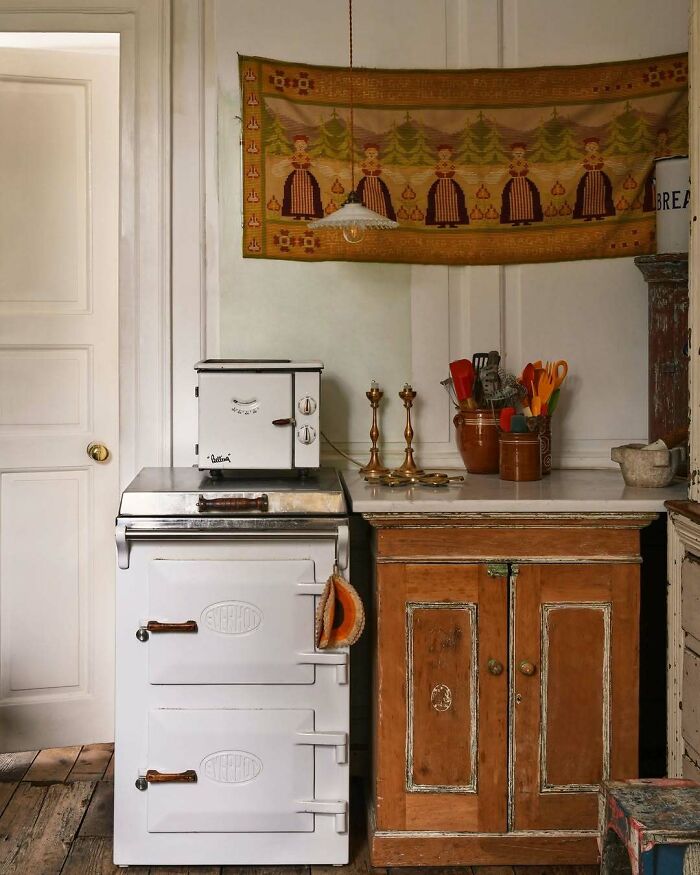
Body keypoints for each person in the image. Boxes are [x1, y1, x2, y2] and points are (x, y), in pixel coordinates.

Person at [500, 142, 543, 226]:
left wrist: (525, 172)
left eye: (520, 153)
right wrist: (512, 172)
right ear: (513, 153)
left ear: (524, 153)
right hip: (514, 182)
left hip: (524, 182)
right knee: (514, 201)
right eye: (516, 153)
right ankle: (516, 220)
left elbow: (529, 168)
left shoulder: (525, 162)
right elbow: (508, 169)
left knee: (526, 201)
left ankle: (526, 219)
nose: (518, 155)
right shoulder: (512, 163)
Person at [281, 134, 323, 220]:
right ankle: (298, 214)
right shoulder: (294, 155)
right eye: (298, 144)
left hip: (306, 176)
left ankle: (308, 215)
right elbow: (287, 162)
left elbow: (314, 163)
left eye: (302, 144)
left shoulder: (307, 156)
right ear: (295, 145)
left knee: (309, 194)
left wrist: (312, 162)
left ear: (305, 145)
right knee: (295, 194)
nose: (300, 146)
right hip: (296, 176)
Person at [572, 137, 615, 221]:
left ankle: (599, 214)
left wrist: (597, 164)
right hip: (589, 177)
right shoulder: (586, 157)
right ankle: (588, 215)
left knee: (600, 195)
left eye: (593, 146)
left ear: (597, 147)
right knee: (587, 197)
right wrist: (589, 165)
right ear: (586, 147)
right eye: (589, 146)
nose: (592, 147)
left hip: (598, 176)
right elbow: (583, 164)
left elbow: (603, 162)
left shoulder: (599, 156)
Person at [425, 145, 468, 228]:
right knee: (439, 202)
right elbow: (437, 172)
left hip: (450, 184)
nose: (444, 155)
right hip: (440, 185)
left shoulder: (451, 164)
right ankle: (442, 222)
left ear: (450, 154)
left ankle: (452, 222)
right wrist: (443, 174)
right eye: (442, 153)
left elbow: (453, 172)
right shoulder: (439, 164)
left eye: (446, 153)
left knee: (453, 202)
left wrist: (446, 174)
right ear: (438, 154)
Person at [356, 143, 396, 220]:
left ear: (376, 153)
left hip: (376, 182)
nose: (371, 155)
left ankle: (382, 216)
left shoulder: (378, 163)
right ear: (366, 153)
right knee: (363, 197)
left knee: (381, 198)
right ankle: (364, 218)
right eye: (369, 153)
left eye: (373, 153)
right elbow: (359, 168)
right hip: (366, 182)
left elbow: (383, 169)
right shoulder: (364, 162)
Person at [642, 127, 671, 212]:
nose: (662, 140)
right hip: (656, 173)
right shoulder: (655, 152)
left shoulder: (669, 151)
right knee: (654, 187)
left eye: (664, 138)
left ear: (667, 138)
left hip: (667, 173)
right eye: (660, 138)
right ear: (657, 139)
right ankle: (655, 205)